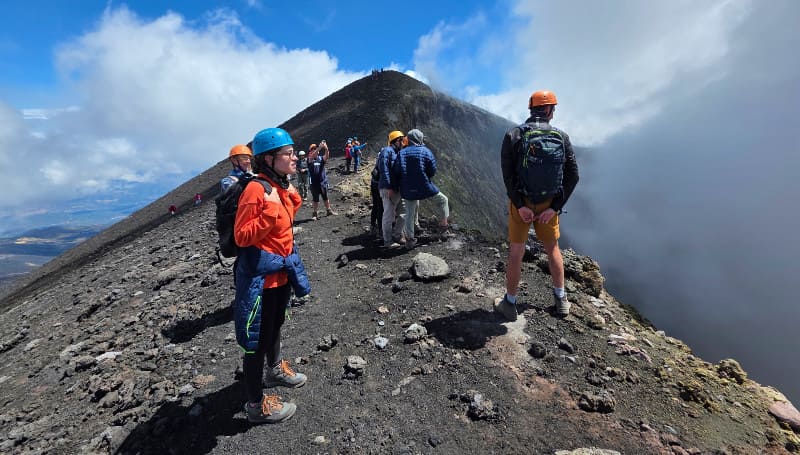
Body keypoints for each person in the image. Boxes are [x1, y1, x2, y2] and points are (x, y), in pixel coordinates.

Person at [233, 127, 311, 424]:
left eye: (293, 151)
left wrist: (288, 194)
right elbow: (242, 236)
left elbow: (288, 214)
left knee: (276, 324)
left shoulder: (277, 186)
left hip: (280, 275)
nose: (294, 156)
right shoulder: (256, 190)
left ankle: (275, 370)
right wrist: (269, 212)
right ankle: (255, 406)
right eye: (288, 153)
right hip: (261, 281)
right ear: (269, 158)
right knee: (257, 341)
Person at [495, 90, 579, 320]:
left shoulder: (514, 134)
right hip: (549, 204)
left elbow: (508, 175)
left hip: (521, 204)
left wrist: (520, 204)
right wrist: (554, 207)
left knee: (516, 252)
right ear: (550, 110)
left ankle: (510, 304)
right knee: (552, 249)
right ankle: (561, 300)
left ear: (531, 109)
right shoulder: (561, 137)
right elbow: (573, 176)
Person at [391, 129, 450, 250]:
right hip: (424, 186)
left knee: (409, 213)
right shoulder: (426, 151)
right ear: (420, 139)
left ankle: (409, 241)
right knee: (443, 200)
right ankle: (444, 227)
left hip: (407, 188)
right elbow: (432, 170)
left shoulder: (401, 153)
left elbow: (396, 171)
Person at [377, 130, 407, 247]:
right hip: (389, 189)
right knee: (388, 215)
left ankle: (397, 235)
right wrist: (389, 186)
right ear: (396, 141)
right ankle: (388, 241)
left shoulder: (397, 152)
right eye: (402, 140)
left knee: (404, 212)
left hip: (397, 189)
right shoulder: (387, 151)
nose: (403, 143)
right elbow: (383, 169)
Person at [308, 141, 337, 220]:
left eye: (315, 149)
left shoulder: (321, 158)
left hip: (322, 182)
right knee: (315, 199)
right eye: (313, 149)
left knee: (325, 197)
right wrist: (319, 148)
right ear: (310, 151)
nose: (315, 150)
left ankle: (329, 210)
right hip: (314, 183)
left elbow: (326, 156)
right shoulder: (309, 159)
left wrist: (326, 148)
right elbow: (312, 156)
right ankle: (314, 214)